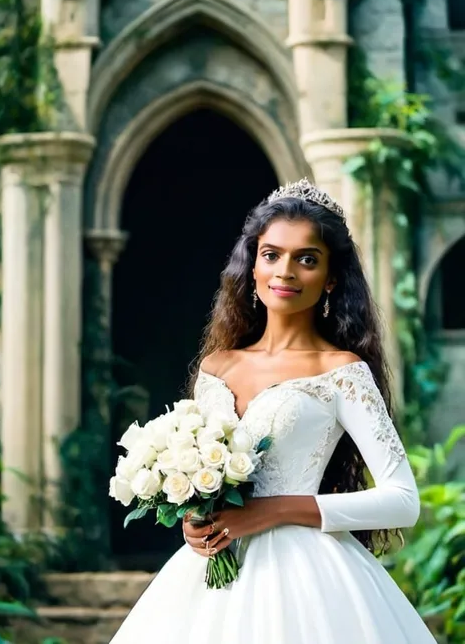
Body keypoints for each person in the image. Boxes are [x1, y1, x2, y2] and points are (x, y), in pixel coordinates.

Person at [109, 178, 437, 644]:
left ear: (331, 278)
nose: (285, 271)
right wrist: (192, 520)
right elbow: (210, 477)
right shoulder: (216, 368)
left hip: (309, 581)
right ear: (253, 266)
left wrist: (274, 511)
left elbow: (403, 500)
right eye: (271, 254)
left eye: (307, 259)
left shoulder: (342, 373)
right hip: (205, 583)